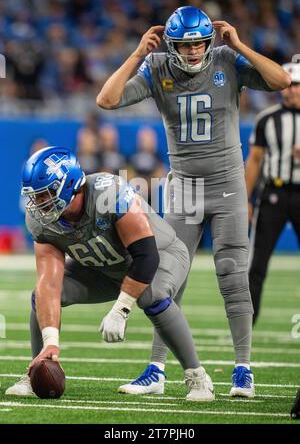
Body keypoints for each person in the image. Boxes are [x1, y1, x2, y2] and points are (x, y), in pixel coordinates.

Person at [96, 6, 291, 397]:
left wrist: (240, 45)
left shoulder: (225, 58)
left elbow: (281, 79)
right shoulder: (155, 66)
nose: (193, 52)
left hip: (228, 185)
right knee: (165, 278)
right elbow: (107, 99)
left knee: (233, 276)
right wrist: (136, 55)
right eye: (184, 45)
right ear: (171, 45)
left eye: (199, 43)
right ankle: (156, 370)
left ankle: (243, 370)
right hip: (184, 187)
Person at [5, 145, 214, 402]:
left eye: (45, 194)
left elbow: (146, 256)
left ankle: (197, 376)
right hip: (103, 267)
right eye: (35, 196)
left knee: (153, 295)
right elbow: (48, 284)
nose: (38, 204)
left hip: (161, 254)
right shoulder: (41, 222)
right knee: (42, 295)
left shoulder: (109, 192)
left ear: (69, 184)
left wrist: (121, 309)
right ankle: (36, 368)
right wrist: (51, 341)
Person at [246, 62, 300, 324]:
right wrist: (244, 199)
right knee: (257, 263)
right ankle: (247, 322)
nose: (291, 91)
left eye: (297, 86)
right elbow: (254, 161)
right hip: (273, 194)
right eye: (289, 86)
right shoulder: (267, 119)